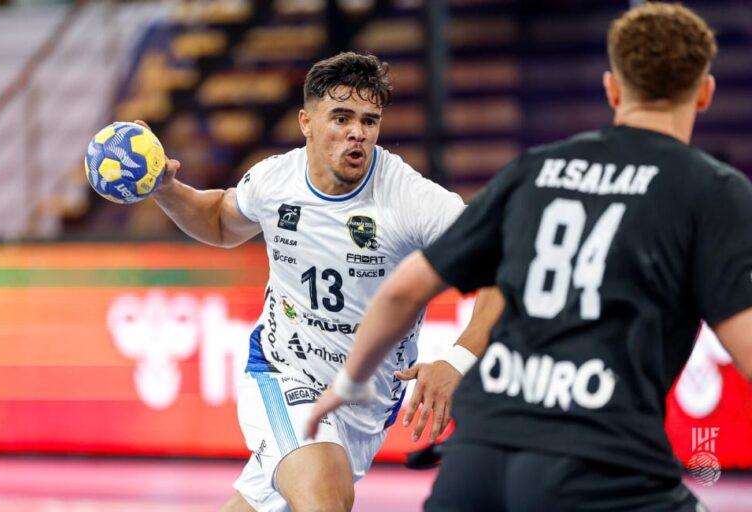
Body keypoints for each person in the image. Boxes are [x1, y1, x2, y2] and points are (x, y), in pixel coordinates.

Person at [307, 4, 752, 510]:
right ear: (705, 92)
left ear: (612, 89)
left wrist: (348, 382)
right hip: (600, 462)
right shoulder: (712, 190)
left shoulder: (536, 168)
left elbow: (403, 290)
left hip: (477, 460)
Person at [146, 51, 498, 512]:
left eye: (370, 121)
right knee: (325, 500)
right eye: (341, 117)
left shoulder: (410, 198)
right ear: (306, 123)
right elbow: (219, 221)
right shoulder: (275, 180)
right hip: (282, 372)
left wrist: (458, 361)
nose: (358, 133)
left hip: (365, 402)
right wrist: (167, 190)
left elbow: (501, 269)